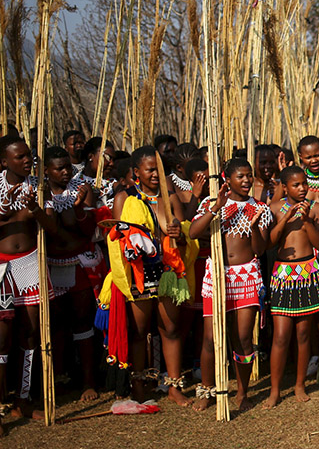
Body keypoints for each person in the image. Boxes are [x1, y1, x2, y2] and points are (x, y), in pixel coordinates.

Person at [107, 145, 196, 406]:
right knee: (139, 330)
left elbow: (187, 233)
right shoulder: (124, 198)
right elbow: (115, 236)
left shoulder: (171, 198)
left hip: (168, 270)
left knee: (170, 328)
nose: (155, 175)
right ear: (136, 172)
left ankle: (174, 386)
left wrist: (178, 233)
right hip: (139, 273)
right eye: (149, 170)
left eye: (159, 169)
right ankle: (137, 384)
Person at [190, 157, 272, 411]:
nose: (247, 180)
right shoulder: (212, 203)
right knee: (211, 338)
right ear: (228, 179)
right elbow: (193, 233)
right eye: (241, 176)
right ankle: (207, 390)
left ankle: (242, 393)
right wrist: (217, 207)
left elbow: (260, 249)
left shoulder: (260, 207)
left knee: (244, 338)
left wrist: (256, 226)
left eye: (249, 176)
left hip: (247, 276)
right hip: (217, 275)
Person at [0, 133, 59, 423]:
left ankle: (23, 398)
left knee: (31, 332)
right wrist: (8, 208)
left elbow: (52, 228)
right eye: (20, 157)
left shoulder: (38, 187)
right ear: (4, 161)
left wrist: (35, 208)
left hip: (29, 262)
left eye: (28, 156)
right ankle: (2, 401)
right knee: (2, 337)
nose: (27, 161)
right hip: (0, 266)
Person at [263, 166, 319, 408]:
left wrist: (307, 220)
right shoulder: (274, 209)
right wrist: (286, 218)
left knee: (303, 334)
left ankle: (300, 384)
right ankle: (275, 389)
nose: (302, 189)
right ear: (285, 186)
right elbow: (269, 243)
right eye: (296, 185)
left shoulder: (315, 208)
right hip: (283, 274)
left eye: (304, 184)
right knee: (280, 336)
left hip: (308, 272)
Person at [44, 147, 99, 402]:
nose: (66, 171)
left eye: (68, 166)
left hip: (77, 264)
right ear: (46, 171)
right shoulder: (39, 192)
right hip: (50, 265)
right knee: (55, 324)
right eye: (59, 168)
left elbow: (89, 231)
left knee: (82, 321)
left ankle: (88, 381)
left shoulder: (82, 189)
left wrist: (77, 209)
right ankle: (58, 378)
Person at [297, 135, 319, 207]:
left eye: (317, 155)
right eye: (308, 157)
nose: (314, 160)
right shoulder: (299, 180)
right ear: (301, 156)